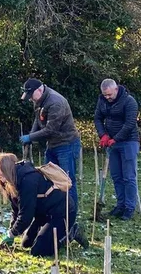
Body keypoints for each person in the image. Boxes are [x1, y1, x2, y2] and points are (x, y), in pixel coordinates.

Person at [18, 77, 88, 248]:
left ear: (39, 90)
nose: (31, 99)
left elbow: (50, 129)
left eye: (31, 95)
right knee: (50, 181)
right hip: (53, 145)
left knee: (66, 182)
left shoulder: (56, 102)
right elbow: (38, 119)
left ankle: (69, 221)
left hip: (66, 145)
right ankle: (52, 217)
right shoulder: (39, 99)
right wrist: (31, 136)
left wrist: (30, 137)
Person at [0, 152, 75, 257]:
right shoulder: (9, 182)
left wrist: (12, 234)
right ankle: (48, 233)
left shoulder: (28, 180)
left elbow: (26, 215)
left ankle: (71, 233)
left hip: (62, 212)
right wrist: (11, 231)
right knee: (26, 244)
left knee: (38, 252)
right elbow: (16, 210)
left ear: (7, 169)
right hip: (43, 214)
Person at [94, 77, 139, 221]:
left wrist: (116, 138)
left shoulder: (129, 101)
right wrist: (103, 135)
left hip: (128, 142)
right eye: (105, 95)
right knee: (116, 176)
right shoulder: (102, 101)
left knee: (128, 177)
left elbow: (130, 123)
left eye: (109, 95)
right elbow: (97, 118)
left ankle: (129, 208)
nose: (107, 98)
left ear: (116, 89)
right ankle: (120, 206)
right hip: (111, 144)